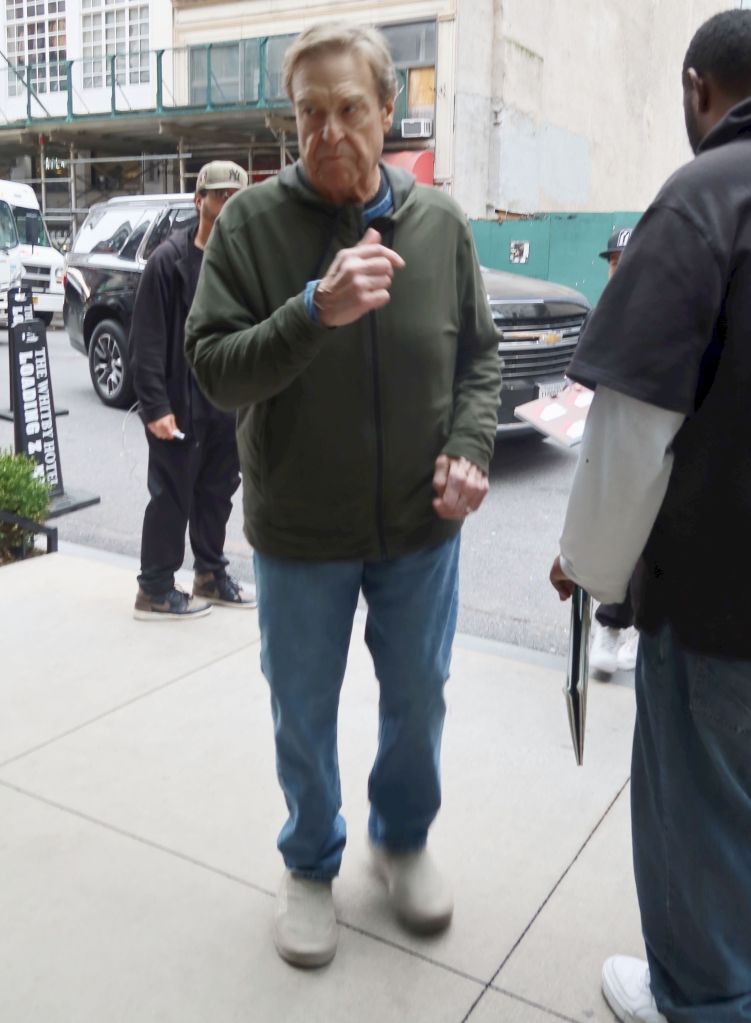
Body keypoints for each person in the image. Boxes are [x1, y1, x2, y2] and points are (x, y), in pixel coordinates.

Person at [185, 22, 500, 968]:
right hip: (299, 529)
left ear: (386, 111)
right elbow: (211, 370)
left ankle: (402, 840)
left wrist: (469, 444)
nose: (327, 130)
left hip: (418, 526)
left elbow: (477, 358)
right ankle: (311, 864)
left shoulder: (438, 224)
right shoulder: (248, 226)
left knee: (417, 695)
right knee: (303, 706)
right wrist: (311, 311)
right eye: (307, 113)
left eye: (349, 109)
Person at [550, 10, 751, 1021]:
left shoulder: (706, 195)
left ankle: (700, 999)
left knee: (700, 816)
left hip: (721, 602)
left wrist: (587, 567)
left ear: (695, 86)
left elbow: (633, 427)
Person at [131, 160, 256, 620]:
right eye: (219, 196)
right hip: (178, 406)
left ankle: (209, 574)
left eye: (236, 198)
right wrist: (155, 407)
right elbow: (144, 344)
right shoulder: (169, 261)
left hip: (225, 405)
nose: (227, 206)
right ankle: (156, 588)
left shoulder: (241, 264)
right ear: (199, 200)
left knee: (216, 494)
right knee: (172, 497)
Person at [588, 226, 640, 679]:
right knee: (610, 542)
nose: (617, 271)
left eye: (626, 263)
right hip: (605, 450)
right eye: (612, 263)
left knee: (645, 544)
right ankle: (608, 626)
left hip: (646, 452)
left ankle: (637, 626)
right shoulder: (600, 314)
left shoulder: (665, 315)